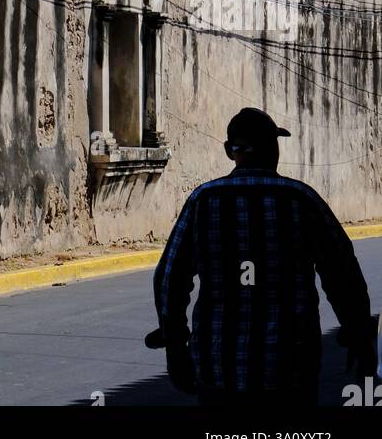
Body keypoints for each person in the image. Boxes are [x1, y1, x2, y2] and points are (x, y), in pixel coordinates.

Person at [153, 107, 375, 405]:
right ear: (273, 148)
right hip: (291, 368)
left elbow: (170, 278)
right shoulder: (301, 199)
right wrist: (358, 336)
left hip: (219, 369)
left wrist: (176, 346)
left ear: (230, 152)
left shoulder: (203, 201)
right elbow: (343, 274)